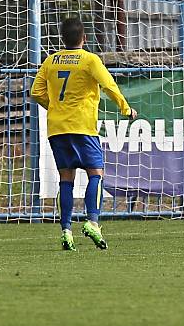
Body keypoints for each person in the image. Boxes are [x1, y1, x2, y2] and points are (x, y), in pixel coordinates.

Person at [30, 17, 137, 251]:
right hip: (83, 127)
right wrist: (125, 108)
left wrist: (55, 108)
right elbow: (109, 85)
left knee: (65, 178)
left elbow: (35, 92)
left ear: (62, 38)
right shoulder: (90, 59)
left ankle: (66, 231)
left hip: (57, 129)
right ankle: (92, 222)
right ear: (84, 38)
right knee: (95, 174)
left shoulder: (51, 61)